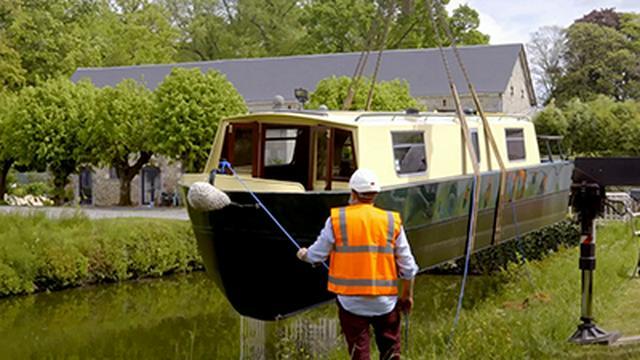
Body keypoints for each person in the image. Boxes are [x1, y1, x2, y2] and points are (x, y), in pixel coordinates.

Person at [297, 168, 419, 360]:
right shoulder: (391, 221)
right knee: (391, 352)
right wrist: (407, 296)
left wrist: (304, 255)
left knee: (359, 353)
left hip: (351, 303)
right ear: (375, 195)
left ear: (352, 193)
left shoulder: (337, 220)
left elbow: (316, 255)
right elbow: (409, 267)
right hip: (385, 303)